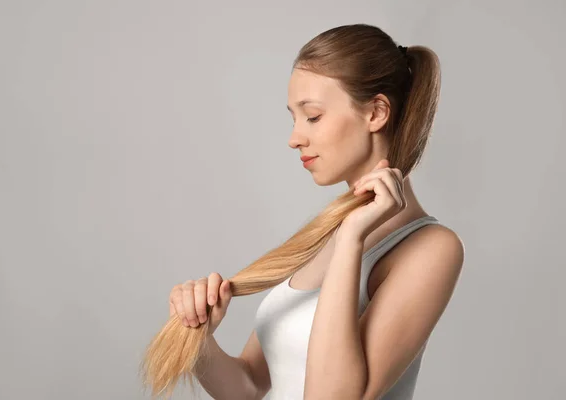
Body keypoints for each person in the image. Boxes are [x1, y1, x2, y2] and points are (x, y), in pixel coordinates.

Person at [142, 23, 464, 400]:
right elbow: (249, 387)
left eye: (312, 116)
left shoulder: (431, 249)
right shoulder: (327, 234)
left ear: (376, 112)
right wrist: (196, 334)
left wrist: (350, 239)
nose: (295, 138)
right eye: (293, 118)